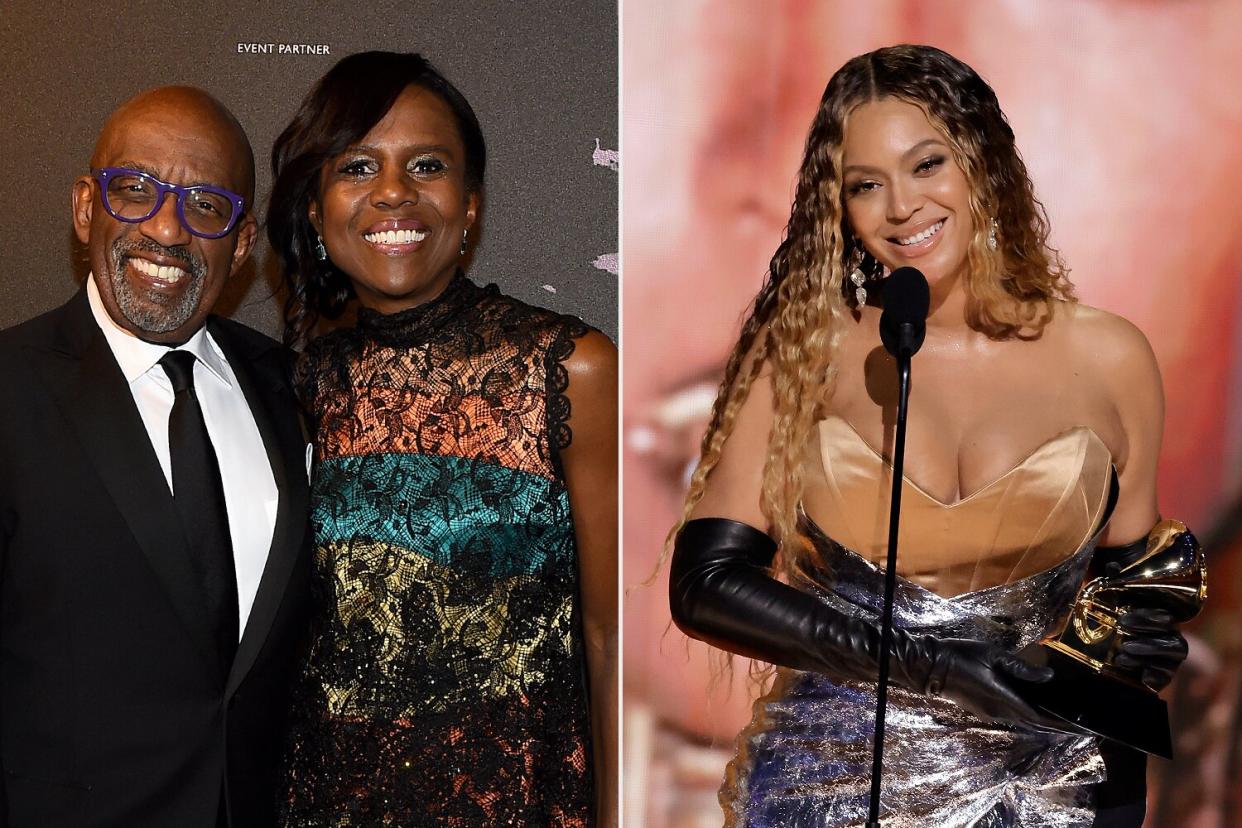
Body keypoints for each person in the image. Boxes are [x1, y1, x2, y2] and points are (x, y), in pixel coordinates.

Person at [667, 45, 1192, 827]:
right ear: (838, 208)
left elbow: (1136, 599)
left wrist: (1109, 783)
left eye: (926, 165)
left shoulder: (1110, 357)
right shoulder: (805, 350)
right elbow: (705, 585)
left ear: (983, 161)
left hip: (1045, 792)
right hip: (829, 791)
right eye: (866, 186)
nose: (901, 207)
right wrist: (930, 664)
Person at [268, 52, 617, 826]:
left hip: (517, 798)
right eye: (357, 167)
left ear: (468, 206)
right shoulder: (301, 386)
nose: (393, 191)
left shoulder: (567, 368)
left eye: (426, 165)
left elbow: (611, 633)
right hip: (330, 799)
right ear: (318, 212)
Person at [0, 87, 310, 827]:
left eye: (206, 204)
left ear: (241, 244)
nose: (167, 229)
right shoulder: (9, 388)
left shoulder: (291, 386)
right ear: (85, 209)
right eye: (135, 190)